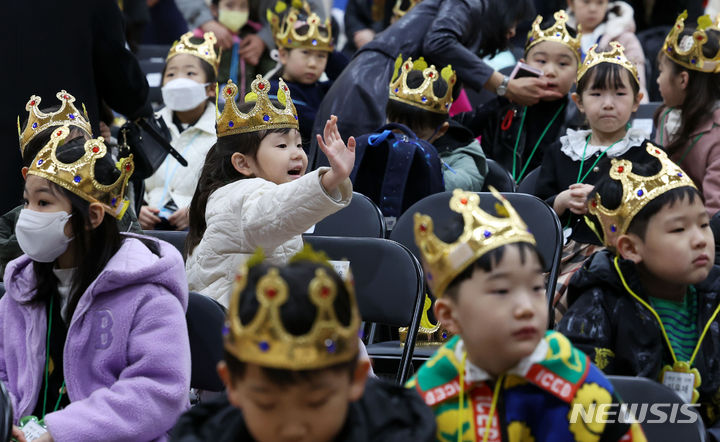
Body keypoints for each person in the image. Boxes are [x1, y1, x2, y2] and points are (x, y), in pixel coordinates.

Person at [407, 188, 645, 441]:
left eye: (535, 288)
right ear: (450, 315)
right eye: (501, 291)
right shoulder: (429, 397)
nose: (526, 308)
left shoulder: (575, 381)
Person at [1, 128, 191, 442]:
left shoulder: (148, 294)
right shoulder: (22, 289)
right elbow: (3, 375)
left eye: (44, 203)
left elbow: (158, 392)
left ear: (93, 216)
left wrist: (62, 433)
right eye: (27, 201)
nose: (27, 216)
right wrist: (7, 422)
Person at [171, 245, 435, 441]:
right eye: (267, 404)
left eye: (316, 402)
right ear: (233, 383)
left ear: (356, 379)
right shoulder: (203, 435)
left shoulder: (405, 432)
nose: (292, 429)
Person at [556, 146, 720, 437]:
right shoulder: (599, 304)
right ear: (631, 248)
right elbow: (580, 402)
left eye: (704, 224)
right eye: (678, 230)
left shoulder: (714, 297)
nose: (699, 240)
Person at [309, 0, 563, 168]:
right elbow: (439, 41)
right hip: (372, 84)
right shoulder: (470, 2)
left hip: (380, 82)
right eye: (513, 23)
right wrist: (504, 85)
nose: (511, 33)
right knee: (350, 174)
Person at [185, 76, 354, 307]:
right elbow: (274, 212)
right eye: (282, 146)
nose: (296, 154)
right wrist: (330, 179)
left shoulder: (261, 191)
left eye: (298, 144)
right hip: (235, 326)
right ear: (243, 164)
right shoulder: (242, 194)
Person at [0, 0, 152, 216]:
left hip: (56, 151)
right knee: (70, 239)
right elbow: (122, 82)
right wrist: (140, 106)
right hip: (70, 155)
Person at [534, 41, 648, 318]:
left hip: (617, 254)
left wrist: (606, 201)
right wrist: (559, 202)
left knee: (560, 297)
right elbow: (536, 211)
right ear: (579, 102)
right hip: (559, 253)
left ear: (636, 101)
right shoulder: (560, 151)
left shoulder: (647, 154)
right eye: (596, 93)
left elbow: (654, 211)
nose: (608, 103)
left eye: (620, 93)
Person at [0, 91, 142, 280]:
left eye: (83, 155)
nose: (73, 165)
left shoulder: (116, 217)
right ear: (28, 175)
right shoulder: (11, 231)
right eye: (58, 160)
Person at [457, 10, 582, 183]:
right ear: (523, 65)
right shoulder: (504, 106)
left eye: (562, 64)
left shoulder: (583, 117)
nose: (550, 71)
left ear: (578, 73)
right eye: (541, 61)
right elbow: (456, 130)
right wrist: (505, 97)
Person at [139, 32, 219, 231]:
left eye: (190, 73)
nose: (178, 81)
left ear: (210, 89)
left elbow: (232, 186)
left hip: (200, 231)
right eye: (171, 74)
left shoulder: (225, 131)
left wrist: (200, 211)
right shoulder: (146, 127)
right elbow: (129, 179)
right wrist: (136, 208)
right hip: (148, 227)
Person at [382, 56, 487, 192]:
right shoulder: (378, 142)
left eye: (415, 134)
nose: (402, 140)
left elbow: (464, 182)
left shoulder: (461, 156)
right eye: (395, 130)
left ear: (441, 130)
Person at [654, 12, 720, 214]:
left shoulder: (716, 135)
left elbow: (715, 210)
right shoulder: (666, 115)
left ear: (682, 80)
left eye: (661, 71)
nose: (657, 80)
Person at [268, 2, 350, 143]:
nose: (313, 64)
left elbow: (350, 79)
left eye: (321, 56)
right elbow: (317, 126)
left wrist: (330, 53)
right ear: (283, 55)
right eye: (305, 52)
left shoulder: (323, 89)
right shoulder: (275, 91)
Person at [566, 0, 648, 102]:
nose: (593, 9)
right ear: (571, 3)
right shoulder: (557, 38)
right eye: (586, 2)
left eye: (600, 2)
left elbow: (637, 84)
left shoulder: (625, 39)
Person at [198, 0, 275, 94]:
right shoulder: (200, 41)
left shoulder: (252, 40)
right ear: (214, 9)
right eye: (229, 5)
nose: (237, 11)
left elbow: (270, 73)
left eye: (243, 6)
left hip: (246, 105)